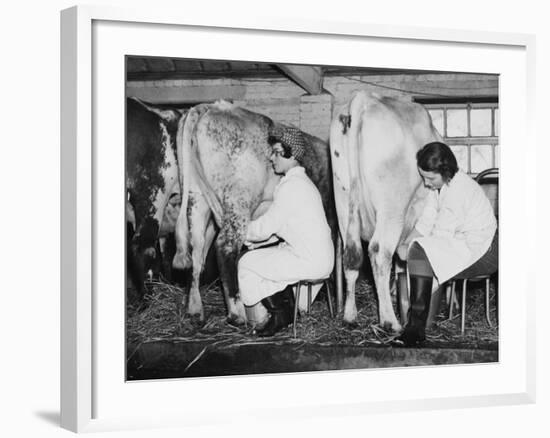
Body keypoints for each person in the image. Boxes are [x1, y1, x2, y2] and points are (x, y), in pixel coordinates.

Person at [395, 141, 498, 346]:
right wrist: (404, 243)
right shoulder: (439, 188)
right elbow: (425, 223)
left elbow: (440, 236)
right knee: (417, 250)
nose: (426, 183)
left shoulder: (460, 190)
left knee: (420, 252)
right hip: (462, 244)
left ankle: (415, 328)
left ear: (446, 170)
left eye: (430, 178)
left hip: (485, 251)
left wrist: (410, 249)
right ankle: (417, 326)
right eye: (423, 177)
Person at [237, 125, 334, 337]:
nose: (272, 158)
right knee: (261, 257)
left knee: (246, 264)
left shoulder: (292, 187)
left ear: (292, 155)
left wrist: (240, 230)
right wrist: (255, 242)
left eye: (278, 153)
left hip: (309, 260)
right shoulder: (300, 183)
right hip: (315, 256)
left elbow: (265, 228)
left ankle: (280, 314)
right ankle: (287, 308)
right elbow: (280, 229)